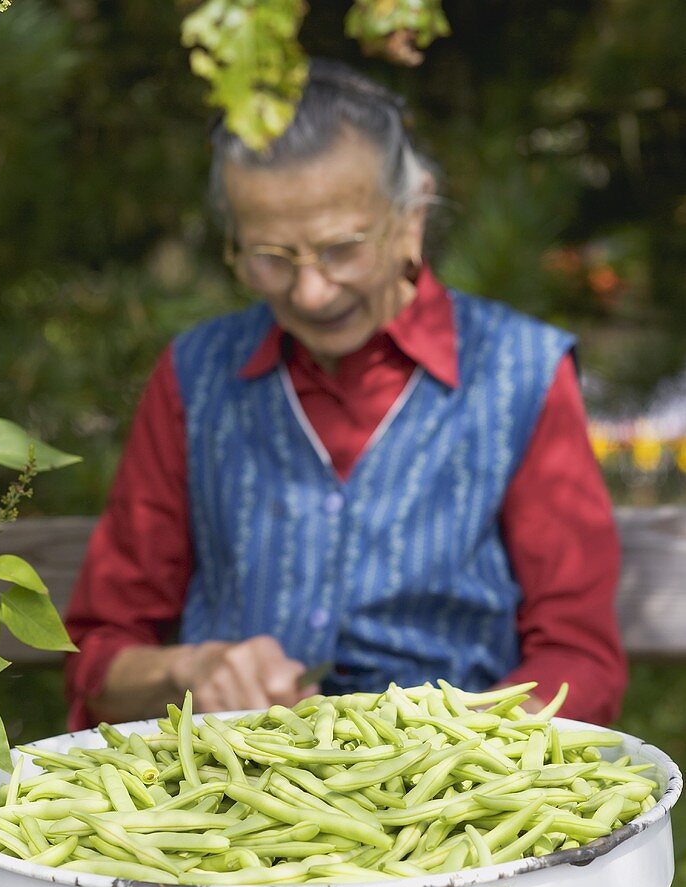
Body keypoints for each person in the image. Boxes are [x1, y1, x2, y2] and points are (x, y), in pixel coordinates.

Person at [64, 59, 627, 731]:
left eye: (342, 249)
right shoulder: (195, 374)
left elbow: (579, 658)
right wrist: (190, 671)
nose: (310, 293)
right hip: (232, 804)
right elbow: (102, 656)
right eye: (270, 257)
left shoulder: (521, 371)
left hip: (457, 806)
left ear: (412, 217)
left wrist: (459, 754)